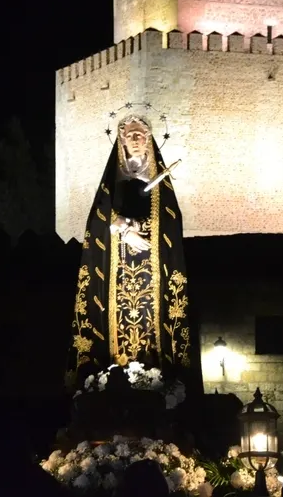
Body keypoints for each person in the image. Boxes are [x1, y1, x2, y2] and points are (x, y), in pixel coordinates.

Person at [66, 113, 194, 386]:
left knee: (153, 320)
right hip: (116, 274)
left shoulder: (161, 188)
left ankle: (157, 378)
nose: (136, 140)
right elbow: (98, 222)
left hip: (151, 274)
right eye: (130, 135)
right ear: (121, 141)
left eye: (141, 135)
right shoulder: (113, 185)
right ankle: (108, 380)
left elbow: (170, 221)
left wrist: (140, 226)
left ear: (149, 140)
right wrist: (121, 226)